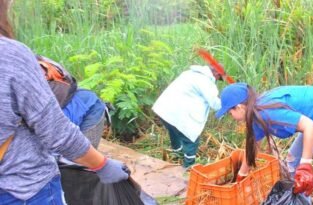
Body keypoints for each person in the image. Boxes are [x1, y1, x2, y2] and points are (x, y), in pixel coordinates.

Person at [0, 0, 129, 204]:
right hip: (23, 190)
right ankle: (76, 170)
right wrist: (102, 165)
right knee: (89, 112)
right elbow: (56, 130)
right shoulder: (11, 55)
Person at [215, 83, 313, 204]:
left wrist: (306, 164)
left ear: (239, 107)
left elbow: (309, 127)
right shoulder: (255, 114)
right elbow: (252, 146)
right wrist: (242, 174)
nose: (231, 117)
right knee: (292, 165)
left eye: (229, 112)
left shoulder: (265, 112)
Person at [152, 65, 222, 168]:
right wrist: (229, 104)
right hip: (180, 113)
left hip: (165, 109)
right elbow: (215, 104)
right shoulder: (206, 82)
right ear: (216, 73)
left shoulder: (189, 73)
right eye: (219, 78)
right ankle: (188, 166)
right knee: (191, 139)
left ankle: (176, 154)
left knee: (173, 129)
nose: (217, 80)